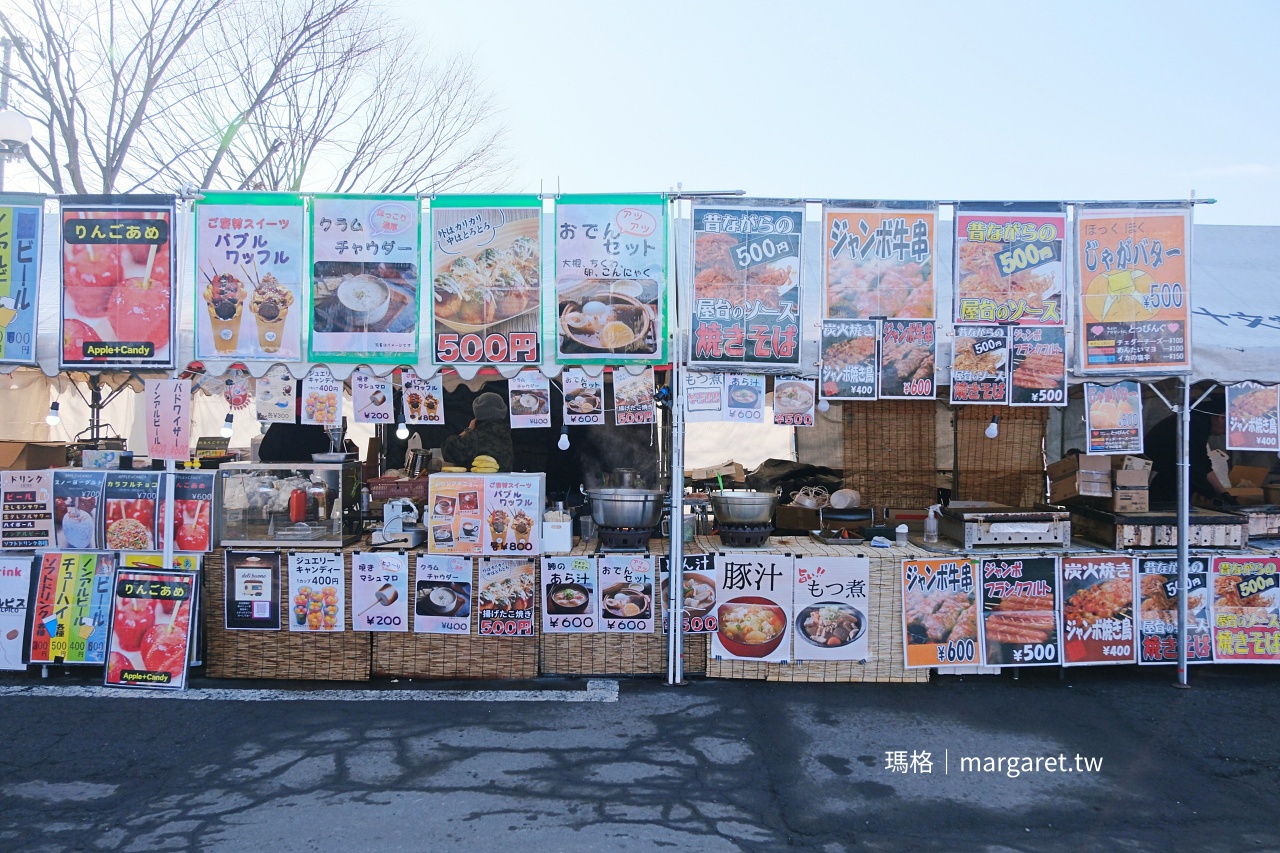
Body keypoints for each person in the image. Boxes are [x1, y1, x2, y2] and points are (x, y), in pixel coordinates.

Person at [1145, 406, 1229, 505]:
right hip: (1160, 477)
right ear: (1222, 418)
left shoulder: (1196, 420)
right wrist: (1211, 494)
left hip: (1166, 475)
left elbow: (1203, 463)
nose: (1225, 433)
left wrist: (1223, 493)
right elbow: (1194, 466)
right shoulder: (1195, 424)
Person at [441, 392, 514, 471]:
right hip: (505, 483)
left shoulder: (475, 437)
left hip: (478, 482)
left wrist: (468, 429)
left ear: (477, 412)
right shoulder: (509, 435)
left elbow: (448, 448)